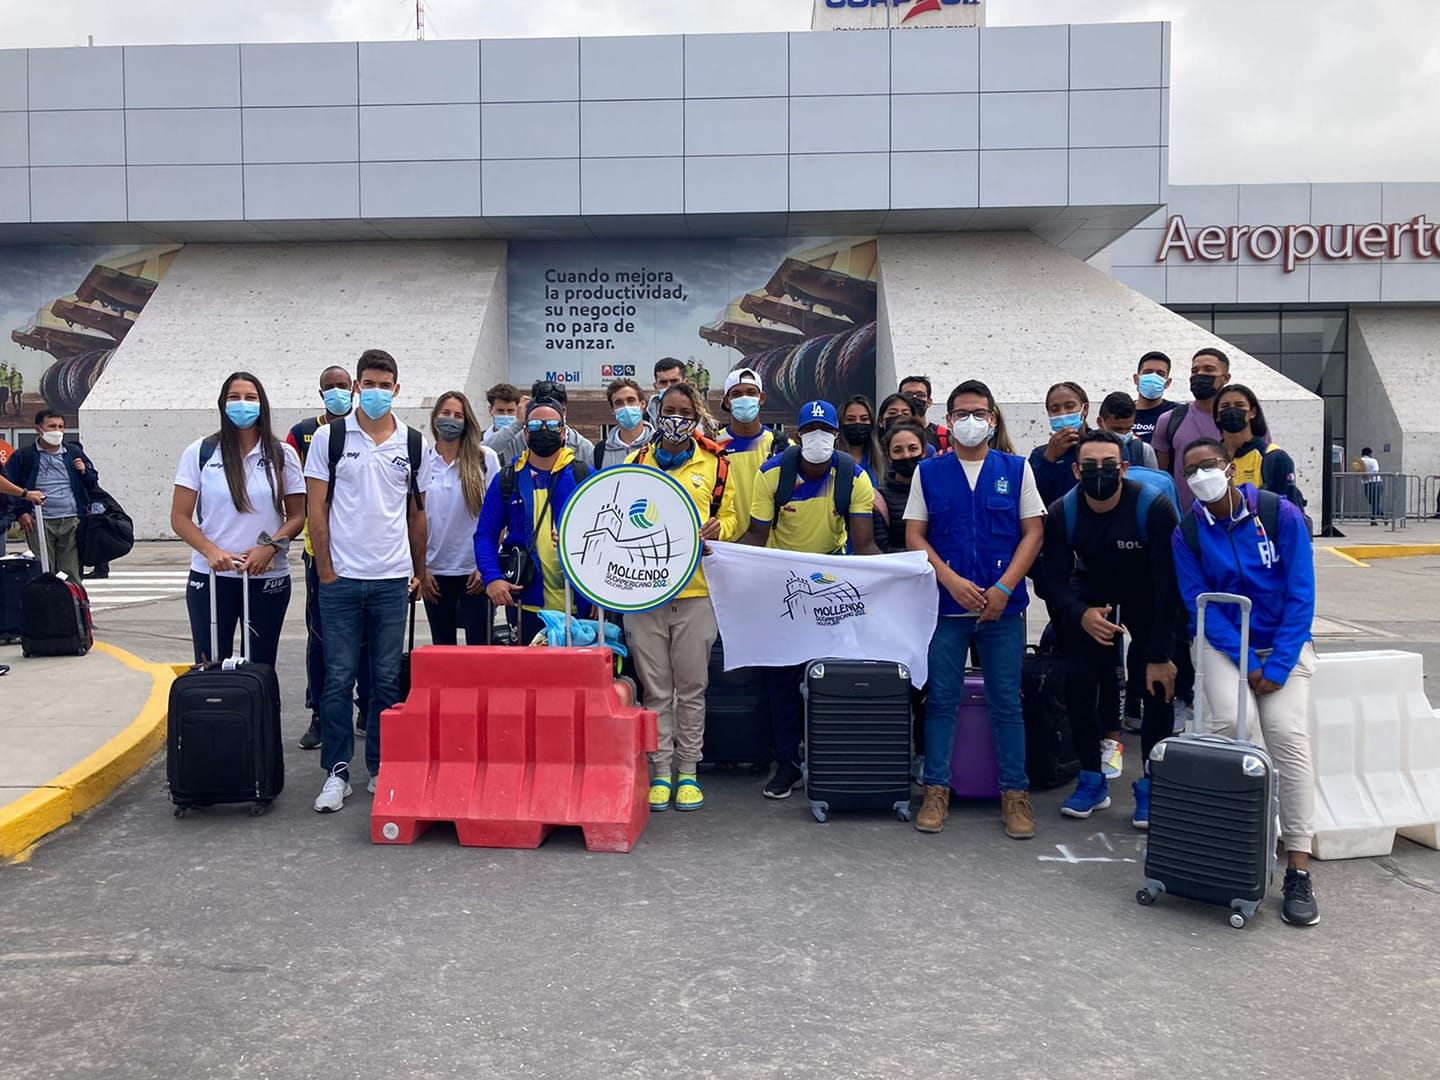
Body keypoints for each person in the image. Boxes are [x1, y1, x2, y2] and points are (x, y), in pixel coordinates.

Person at [1172, 436, 1320, 927]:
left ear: (1231, 468)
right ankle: (1235, 849)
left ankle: (1297, 862)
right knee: (1237, 727)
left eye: (1207, 466)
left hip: (1283, 646)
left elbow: (1301, 594)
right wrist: (1244, 661)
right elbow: (1201, 606)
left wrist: (1275, 666)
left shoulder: (1279, 515)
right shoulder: (1188, 533)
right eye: (1190, 471)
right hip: (1225, 645)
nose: (1200, 477)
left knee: (1286, 737)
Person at [905, 379, 1045, 840]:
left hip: (1002, 611)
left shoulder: (1016, 469)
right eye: (962, 413)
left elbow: (1032, 534)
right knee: (942, 701)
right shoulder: (929, 472)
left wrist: (1005, 587)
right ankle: (936, 790)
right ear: (948, 421)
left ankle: (1015, 794)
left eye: (979, 413)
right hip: (947, 608)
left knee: (1007, 703)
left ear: (993, 418)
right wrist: (951, 580)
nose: (971, 421)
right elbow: (916, 537)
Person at [303, 349, 433, 813]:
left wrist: (418, 571)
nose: (377, 392)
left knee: (384, 680)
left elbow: (417, 514)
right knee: (337, 678)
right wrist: (325, 569)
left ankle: (380, 766)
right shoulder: (329, 438)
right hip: (340, 579)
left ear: (397, 389)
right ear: (357, 386)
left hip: (391, 579)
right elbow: (315, 508)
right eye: (369, 383)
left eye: (385, 384)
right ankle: (337, 773)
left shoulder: (415, 444)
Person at [1037, 431, 1180, 826]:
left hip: (1148, 593)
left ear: (1124, 468)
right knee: (1081, 680)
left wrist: (1162, 653)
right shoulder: (1063, 511)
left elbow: (1170, 584)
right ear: (1076, 471)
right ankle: (1091, 777)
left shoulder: (1153, 507)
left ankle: (1152, 783)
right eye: (1090, 467)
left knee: (1155, 684)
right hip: (1091, 593)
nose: (1100, 474)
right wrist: (1080, 614)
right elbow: (1050, 581)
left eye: (1109, 466)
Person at [742, 399, 879, 799]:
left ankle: (828, 757)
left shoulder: (854, 477)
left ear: (835, 435)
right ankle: (787, 763)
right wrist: (727, 557)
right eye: (810, 430)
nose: (818, 437)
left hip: (831, 584)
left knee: (829, 676)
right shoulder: (772, 475)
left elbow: (865, 544)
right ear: (798, 435)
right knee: (781, 677)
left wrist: (899, 572)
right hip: (785, 585)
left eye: (826, 430)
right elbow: (756, 536)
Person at [624, 383, 740, 813]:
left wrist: (719, 529)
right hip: (643, 592)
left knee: (691, 687)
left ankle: (688, 770)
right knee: (655, 690)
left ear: (697, 416)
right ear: (657, 412)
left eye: (684, 411)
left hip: (696, 592)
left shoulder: (715, 463)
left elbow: (731, 516)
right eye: (669, 410)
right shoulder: (637, 461)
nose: (676, 418)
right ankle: (659, 770)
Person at [170, 372, 306, 667]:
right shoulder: (201, 452)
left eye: (250, 397)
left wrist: (269, 548)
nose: (242, 404)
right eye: (234, 397)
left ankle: (262, 714)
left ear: (262, 405)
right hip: (212, 577)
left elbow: (297, 516)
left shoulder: (283, 454)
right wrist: (211, 552)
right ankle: (212, 714)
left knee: (260, 663)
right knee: (209, 663)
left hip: (267, 576)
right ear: (222, 404)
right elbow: (180, 518)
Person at [288, 365, 366, 750]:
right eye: (328, 387)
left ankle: (367, 709)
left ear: (353, 387)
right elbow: (287, 487)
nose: (336, 392)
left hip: (365, 554)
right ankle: (319, 713)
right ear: (320, 393)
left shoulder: (370, 427)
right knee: (321, 638)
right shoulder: (303, 433)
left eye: (341, 385)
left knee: (368, 637)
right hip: (320, 554)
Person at [475, 398, 592, 646]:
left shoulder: (584, 476)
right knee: (528, 680)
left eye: (552, 425)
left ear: (563, 432)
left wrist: (599, 594)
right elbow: (485, 534)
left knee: (576, 681)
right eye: (536, 425)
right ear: (525, 433)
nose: (544, 431)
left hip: (578, 605)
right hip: (525, 604)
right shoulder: (508, 479)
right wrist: (492, 577)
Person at [420, 392, 500, 646]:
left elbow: (496, 516)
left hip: (474, 572)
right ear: (434, 418)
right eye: (446, 414)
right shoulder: (422, 460)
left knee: (480, 649)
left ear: (467, 422)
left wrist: (486, 566)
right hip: (435, 572)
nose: (451, 420)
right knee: (442, 647)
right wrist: (420, 569)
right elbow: (413, 517)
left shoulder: (485, 459)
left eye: (458, 416)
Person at [6, 410, 98, 583]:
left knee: (70, 571)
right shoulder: (24, 456)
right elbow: (11, 486)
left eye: (61, 427)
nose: (57, 431)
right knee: (43, 569)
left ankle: (72, 606)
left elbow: (92, 482)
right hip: (39, 521)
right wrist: (21, 513)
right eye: (52, 426)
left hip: (71, 519)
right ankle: (46, 606)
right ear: (39, 429)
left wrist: (85, 471)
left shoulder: (73, 453)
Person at [1153, 347, 1230, 510]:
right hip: (1185, 520)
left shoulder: (1242, 422)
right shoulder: (1169, 420)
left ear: (1225, 378)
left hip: (1235, 517)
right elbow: (1162, 476)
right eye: (1194, 371)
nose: (1199, 375)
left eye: (1208, 369)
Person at [715, 367, 788, 537]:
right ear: (727, 401)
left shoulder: (782, 446)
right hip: (728, 548)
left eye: (751, 392)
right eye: (737, 394)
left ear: (761, 398)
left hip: (770, 550)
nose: (744, 398)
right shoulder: (714, 446)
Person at [1216, 384, 1307, 510]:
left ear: (1252, 413)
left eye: (1239, 405)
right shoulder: (1209, 457)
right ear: (1217, 415)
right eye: (1225, 406)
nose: (1232, 410)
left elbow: (1289, 512)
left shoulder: (1274, 457)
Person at [485, 379, 595, 465]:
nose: (546, 424)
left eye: (558, 412)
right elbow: (479, 455)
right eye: (542, 413)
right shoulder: (516, 440)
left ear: (565, 410)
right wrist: (518, 423)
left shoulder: (582, 447)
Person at [1029, 381, 1091, 508]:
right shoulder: (1039, 454)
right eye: (1055, 409)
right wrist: (1048, 458)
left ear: (1084, 409)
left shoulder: (1103, 444)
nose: (1063, 413)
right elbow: (1031, 497)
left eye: (1069, 406)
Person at [873, 422, 926, 554]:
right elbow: (881, 547)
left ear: (923, 451)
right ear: (888, 457)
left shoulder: (937, 491)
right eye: (898, 450)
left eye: (913, 448)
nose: (906, 455)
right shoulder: (879, 498)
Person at [594, 376, 654, 470]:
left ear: (642, 404)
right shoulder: (600, 451)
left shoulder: (658, 444)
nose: (626, 406)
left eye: (631, 400)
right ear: (613, 410)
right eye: (619, 403)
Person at [1097, 392, 1159, 469]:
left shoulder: (1143, 451)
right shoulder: (1085, 449)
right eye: (1117, 429)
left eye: (1129, 428)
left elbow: (1153, 479)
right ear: (1100, 422)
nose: (1123, 434)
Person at [1131, 351, 1178, 444]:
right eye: (1147, 372)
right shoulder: (1122, 411)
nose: (1153, 377)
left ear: (1167, 383)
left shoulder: (1177, 413)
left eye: (1160, 374)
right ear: (1136, 379)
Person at [839, 394, 884, 486]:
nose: (858, 423)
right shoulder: (832, 458)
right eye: (850, 419)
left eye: (864, 419)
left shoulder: (882, 460)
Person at [898, 375, 949, 452]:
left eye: (920, 395)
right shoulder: (889, 434)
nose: (914, 398)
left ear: (929, 402)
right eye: (908, 395)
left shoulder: (943, 435)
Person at [646, 357, 687, 425]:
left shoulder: (704, 420)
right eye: (663, 382)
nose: (669, 387)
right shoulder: (645, 420)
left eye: (674, 381)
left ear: (685, 383)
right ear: (656, 387)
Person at [1360, 446, 1384, 524]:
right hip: (1376, 481)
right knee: (1376, 501)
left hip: (1366, 483)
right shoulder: (1373, 461)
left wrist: (1365, 475)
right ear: (1370, 453)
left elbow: (1358, 471)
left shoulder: (1358, 461)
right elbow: (1376, 470)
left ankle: (1376, 518)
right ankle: (1381, 517)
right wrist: (1369, 474)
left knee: (1372, 502)